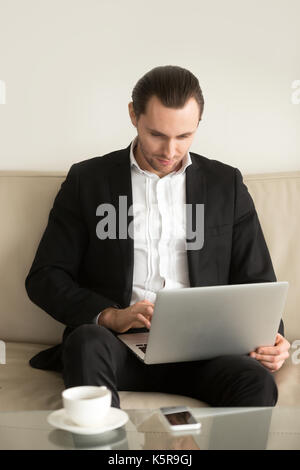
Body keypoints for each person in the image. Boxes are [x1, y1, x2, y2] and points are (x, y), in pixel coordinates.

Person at [25, 65, 290, 408]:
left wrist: (270, 337)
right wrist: (109, 315)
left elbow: (259, 284)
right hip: (113, 345)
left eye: (184, 136)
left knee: (255, 382)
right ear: (133, 114)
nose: (170, 151)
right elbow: (45, 276)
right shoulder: (87, 181)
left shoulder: (227, 186)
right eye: (157, 134)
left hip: (205, 354)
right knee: (85, 343)